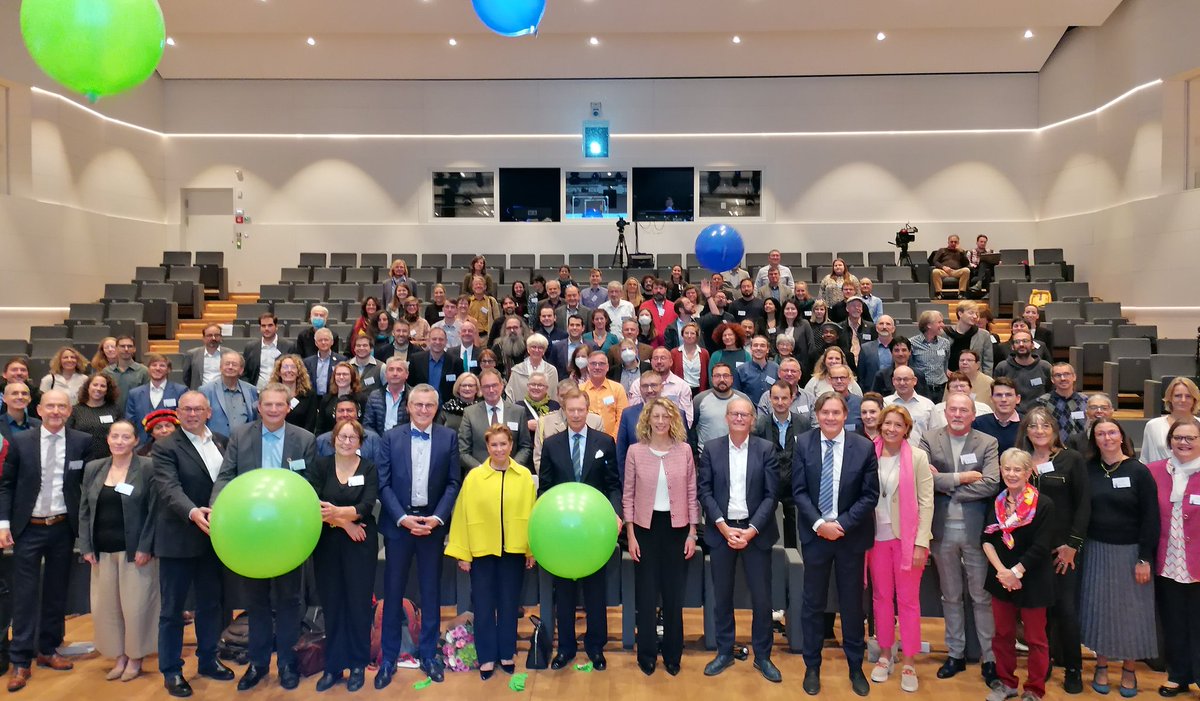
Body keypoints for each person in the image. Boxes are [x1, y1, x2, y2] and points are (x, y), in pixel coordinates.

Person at [211, 384, 317, 691]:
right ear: (259, 407)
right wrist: (217, 508)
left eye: (279, 405)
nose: (273, 409)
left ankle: (286, 662)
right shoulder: (241, 436)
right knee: (255, 603)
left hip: (288, 536)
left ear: (288, 407)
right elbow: (226, 476)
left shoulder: (304, 439)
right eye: (268, 404)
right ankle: (257, 664)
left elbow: (310, 483)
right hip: (250, 535)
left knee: (289, 602)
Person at [0, 390, 93, 693]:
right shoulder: (20, 441)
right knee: (25, 595)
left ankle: (48, 649)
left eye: (61, 406)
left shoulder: (81, 441)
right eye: (50, 406)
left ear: (70, 411)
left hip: (62, 528)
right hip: (29, 527)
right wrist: (3, 523)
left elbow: (84, 486)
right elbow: (6, 485)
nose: (55, 411)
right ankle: (20, 659)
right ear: (39, 409)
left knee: (56, 591)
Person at [792, 391, 879, 697]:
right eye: (824, 412)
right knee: (812, 604)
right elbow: (798, 490)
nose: (830, 417)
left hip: (850, 536)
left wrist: (840, 525)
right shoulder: (803, 443)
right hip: (816, 536)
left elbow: (870, 495)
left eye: (836, 412)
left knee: (852, 605)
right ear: (817, 416)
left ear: (846, 415)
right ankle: (812, 665)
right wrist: (820, 524)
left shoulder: (864, 447)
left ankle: (855, 666)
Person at [150, 391, 236, 698]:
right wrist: (192, 511)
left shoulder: (223, 442)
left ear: (209, 412)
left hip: (215, 539)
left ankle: (208, 659)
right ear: (178, 413)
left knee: (211, 605)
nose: (192, 413)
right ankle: (171, 670)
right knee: (172, 610)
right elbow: (168, 488)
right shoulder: (164, 446)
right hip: (179, 538)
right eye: (186, 409)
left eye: (198, 408)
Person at [374, 385, 459, 688]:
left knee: (431, 591)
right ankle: (388, 657)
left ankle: (429, 655)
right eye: (418, 405)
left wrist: (437, 518)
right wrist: (403, 518)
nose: (423, 410)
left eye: (429, 406)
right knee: (393, 592)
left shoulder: (449, 437)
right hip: (399, 526)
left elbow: (452, 482)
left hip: (432, 526)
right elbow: (382, 484)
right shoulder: (390, 437)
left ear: (437, 409)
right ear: (408, 407)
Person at [919, 392, 1001, 686]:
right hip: (941, 531)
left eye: (962, 410)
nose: (956, 414)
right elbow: (924, 480)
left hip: (977, 533)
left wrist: (946, 483)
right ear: (945, 412)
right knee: (950, 596)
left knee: (981, 597)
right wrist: (964, 478)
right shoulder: (929, 439)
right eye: (952, 409)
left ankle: (989, 657)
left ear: (972, 414)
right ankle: (955, 653)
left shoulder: (987, 442)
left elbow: (992, 483)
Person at [699, 398, 782, 683]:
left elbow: (772, 495)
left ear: (752, 420)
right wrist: (722, 526)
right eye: (734, 413)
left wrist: (752, 529)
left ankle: (763, 655)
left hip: (755, 534)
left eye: (744, 414)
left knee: (762, 599)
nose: (738, 418)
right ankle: (724, 651)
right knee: (722, 596)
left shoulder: (766, 449)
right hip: (721, 532)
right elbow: (705, 491)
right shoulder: (711, 449)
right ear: (726, 417)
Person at [445, 424, 536, 681]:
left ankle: (506, 653)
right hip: (482, 551)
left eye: (503, 444)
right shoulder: (474, 477)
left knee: (509, 604)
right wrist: (464, 552)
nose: (499, 449)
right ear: (487, 448)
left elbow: (531, 514)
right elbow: (461, 515)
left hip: (513, 551)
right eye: (494, 445)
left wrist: (530, 550)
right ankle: (486, 657)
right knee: (483, 605)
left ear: (511, 446)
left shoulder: (524, 477)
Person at [539, 389, 620, 671]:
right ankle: (566, 648)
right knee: (564, 593)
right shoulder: (551, 444)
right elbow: (545, 488)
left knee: (596, 592)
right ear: (564, 411)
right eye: (570, 410)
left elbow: (613, 485)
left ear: (588, 411)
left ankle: (596, 647)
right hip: (561, 533)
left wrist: (615, 514)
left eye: (580, 410)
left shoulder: (605, 442)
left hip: (593, 533)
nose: (575, 415)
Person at [1080, 418, 1159, 697]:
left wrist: (1144, 558)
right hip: (1096, 551)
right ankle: (1100, 666)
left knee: (1130, 615)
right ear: (1095, 439)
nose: (1107, 438)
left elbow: (1151, 518)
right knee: (1100, 610)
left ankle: (1129, 669)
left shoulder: (1139, 472)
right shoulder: (1088, 470)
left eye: (1112, 432)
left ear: (1122, 436)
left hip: (1130, 554)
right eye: (1100, 433)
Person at [78, 420, 159, 682]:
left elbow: (154, 511)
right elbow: (84, 510)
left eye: (126, 437)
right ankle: (119, 656)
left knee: (136, 608)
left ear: (136, 441)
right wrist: (86, 546)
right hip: (101, 551)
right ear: (108, 439)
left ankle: (135, 657)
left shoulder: (147, 467)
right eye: (115, 436)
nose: (120, 441)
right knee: (107, 609)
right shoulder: (94, 468)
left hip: (135, 552)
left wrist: (146, 546)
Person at [1016, 407, 1089, 694]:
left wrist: (1073, 545)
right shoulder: (1020, 462)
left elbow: (1083, 505)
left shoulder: (1071, 459)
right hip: (1032, 552)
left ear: (1055, 430)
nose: (1039, 431)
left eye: (1045, 426)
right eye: (1033, 426)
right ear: (1027, 431)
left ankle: (1073, 667)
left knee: (1066, 610)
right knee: (1037, 612)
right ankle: (1042, 664)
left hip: (1063, 550)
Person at [623, 398, 698, 676]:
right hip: (645, 529)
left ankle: (672, 654)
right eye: (655, 416)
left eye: (666, 416)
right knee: (646, 594)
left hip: (677, 530)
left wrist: (692, 532)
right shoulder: (635, 452)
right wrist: (630, 534)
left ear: (673, 420)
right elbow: (628, 495)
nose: (660, 421)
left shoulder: (685, 451)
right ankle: (647, 653)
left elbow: (692, 494)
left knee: (672, 596)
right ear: (647, 419)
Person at [307, 418, 377, 693]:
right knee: (333, 605)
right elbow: (314, 505)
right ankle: (333, 666)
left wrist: (339, 514)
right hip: (329, 545)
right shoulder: (320, 466)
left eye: (352, 438)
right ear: (333, 438)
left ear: (360, 442)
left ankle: (358, 664)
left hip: (360, 545)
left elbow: (366, 506)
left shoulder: (368, 468)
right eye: (342, 436)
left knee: (359, 605)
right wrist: (345, 522)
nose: (346, 442)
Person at [868, 405, 934, 693]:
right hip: (875, 538)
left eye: (898, 425)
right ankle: (885, 654)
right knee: (881, 598)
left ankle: (908, 660)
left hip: (907, 540)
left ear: (906, 429)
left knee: (908, 601)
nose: (891, 429)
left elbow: (926, 502)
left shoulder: (918, 457)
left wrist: (921, 541)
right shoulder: (868, 453)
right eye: (887, 424)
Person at [981, 448, 1057, 701]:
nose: (1011, 474)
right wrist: (1002, 572)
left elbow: (1041, 546)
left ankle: (1034, 689)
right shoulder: (997, 501)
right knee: (1003, 635)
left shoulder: (1043, 504)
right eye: (1007, 469)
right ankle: (1006, 683)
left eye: (1017, 469)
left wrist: (1016, 572)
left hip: (1033, 579)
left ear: (1028, 473)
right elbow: (987, 539)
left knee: (1036, 639)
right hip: (1001, 579)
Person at [1146, 417, 1200, 697]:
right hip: (1168, 562)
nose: (1184, 443)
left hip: (1198, 563)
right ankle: (1178, 675)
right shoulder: (1154, 472)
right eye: (1178, 438)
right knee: (1173, 622)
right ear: (1169, 442)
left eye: (1190, 438)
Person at [753, 381, 804, 547]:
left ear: (792, 398)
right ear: (770, 399)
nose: (780, 402)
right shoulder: (760, 425)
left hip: (795, 490)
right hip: (768, 489)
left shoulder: (803, 424)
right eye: (776, 398)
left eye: (784, 398)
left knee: (794, 537)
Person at [458, 369, 533, 470]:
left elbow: (525, 446)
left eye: (494, 385)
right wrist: (482, 469)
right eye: (486, 386)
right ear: (480, 389)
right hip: (481, 477)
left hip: (511, 475)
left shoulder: (518, 412)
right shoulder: (470, 413)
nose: (491, 390)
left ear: (502, 385)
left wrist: (513, 467)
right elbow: (463, 451)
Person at [125, 353, 187, 446]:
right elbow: (130, 421)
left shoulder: (181, 391)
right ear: (148, 369)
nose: (157, 368)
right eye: (154, 365)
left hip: (172, 445)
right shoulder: (135, 394)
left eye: (162, 365)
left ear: (169, 370)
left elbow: (184, 419)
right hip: (142, 446)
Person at [690, 363, 751, 450]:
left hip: (738, 453)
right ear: (712, 379)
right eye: (717, 376)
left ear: (732, 379)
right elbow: (691, 427)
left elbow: (752, 425)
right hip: (706, 455)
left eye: (726, 376)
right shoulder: (699, 399)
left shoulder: (743, 399)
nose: (722, 379)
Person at [199, 351, 258, 437]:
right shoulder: (206, 391)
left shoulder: (251, 390)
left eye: (234, 364)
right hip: (215, 443)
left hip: (244, 442)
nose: (230, 367)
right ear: (220, 368)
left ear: (241, 370)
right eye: (227, 364)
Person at [992, 330, 1053, 414]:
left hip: (1039, 416)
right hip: (1011, 416)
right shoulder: (1002, 367)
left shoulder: (1045, 367)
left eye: (1025, 341)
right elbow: (997, 393)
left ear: (1032, 345)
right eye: (1017, 342)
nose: (1021, 345)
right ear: (1012, 346)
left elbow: (1051, 393)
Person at [1142, 378, 1200, 464]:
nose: (1183, 400)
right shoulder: (1153, 426)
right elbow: (1145, 459)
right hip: (1159, 476)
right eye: (1178, 396)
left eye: (1188, 396)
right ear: (1170, 398)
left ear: (1194, 399)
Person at [630, 346, 694, 424]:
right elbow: (633, 415)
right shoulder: (638, 384)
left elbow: (687, 418)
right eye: (655, 358)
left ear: (671, 362)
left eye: (663, 358)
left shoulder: (682, 386)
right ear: (651, 362)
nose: (659, 362)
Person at [68, 373, 124, 459]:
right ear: (88, 387)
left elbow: (121, 435)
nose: (98, 388)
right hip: (81, 457)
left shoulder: (115, 409)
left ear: (107, 390)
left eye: (103, 386)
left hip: (108, 459)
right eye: (95, 385)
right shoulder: (75, 410)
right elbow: (69, 435)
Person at [314, 397, 383, 466]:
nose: (345, 414)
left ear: (358, 414)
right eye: (341, 411)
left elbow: (379, 468)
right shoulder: (322, 441)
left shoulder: (373, 439)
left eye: (349, 410)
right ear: (334, 415)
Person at [1036, 363, 1089, 444]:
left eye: (1066, 374)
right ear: (1052, 379)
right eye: (1058, 375)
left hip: (1080, 449)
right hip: (1053, 448)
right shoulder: (1043, 402)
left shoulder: (1085, 400)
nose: (1063, 378)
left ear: (1074, 377)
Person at [884, 366, 935, 447]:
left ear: (914, 381)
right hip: (892, 454)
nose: (902, 383)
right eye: (898, 379)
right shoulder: (885, 404)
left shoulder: (928, 405)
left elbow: (935, 434)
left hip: (921, 455)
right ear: (893, 381)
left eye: (906, 379)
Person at [580, 351, 628, 437]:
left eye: (601, 364)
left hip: (613, 440)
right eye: (593, 363)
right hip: (587, 440)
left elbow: (622, 417)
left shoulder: (618, 388)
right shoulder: (580, 390)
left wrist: (613, 440)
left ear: (607, 367)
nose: (597, 367)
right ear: (588, 367)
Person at [242, 313, 295, 391]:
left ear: (276, 327)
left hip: (281, 391)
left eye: (270, 325)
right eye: (263, 326)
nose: (266, 328)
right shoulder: (250, 347)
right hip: (256, 392)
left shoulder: (288, 346)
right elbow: (244, 373)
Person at [928, 371, 993, 433]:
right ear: (948, 390)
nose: (959, 389)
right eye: (955, 386)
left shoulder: (985, 410)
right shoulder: (936, 409)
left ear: (970, 388)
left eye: (962, 386)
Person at [363, 357, 412, 436]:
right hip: (379, 442)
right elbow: (368, 424)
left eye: (399, 370)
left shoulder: (413, 396)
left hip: (404, 442)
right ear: (385, 374)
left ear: (407, 374)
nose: (395, 373)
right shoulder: (374, 396)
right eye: (391, 369)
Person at [269, 353, 318, 432]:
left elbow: (310, 424)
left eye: (293, 367)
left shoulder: (309, 395)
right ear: (279, 372)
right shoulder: (271, 393)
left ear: (298, 372)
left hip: (301, 439)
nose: (289, 370)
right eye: (285, 367)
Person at [909, 311, 952, 401]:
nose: (943, 325)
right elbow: (910, 366)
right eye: (939, 322)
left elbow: (945, 363)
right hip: (922, 389)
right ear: (929, 325)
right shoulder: (912, 343)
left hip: (941, 389)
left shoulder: (945, 343)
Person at [315, 362, 366, 436]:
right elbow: (320, 427)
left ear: (352, 377)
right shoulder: (326, 399)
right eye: (338, 374)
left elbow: (365, 425)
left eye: (345, 374)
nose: (341, 377)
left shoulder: (361, 399)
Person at [506, 333, 559, 403]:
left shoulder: (551, 371)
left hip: (546, 412)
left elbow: (554, 396)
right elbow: (510, 396)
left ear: (544, 351)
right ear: (528, 349)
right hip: (522, 411)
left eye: (540, 347)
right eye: (533, 347)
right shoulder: (517, 370)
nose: (537, 350)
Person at [974, 377, 1023, 453]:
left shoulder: (1027, 424)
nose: (1004, 399)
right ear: (991, 399)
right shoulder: (978, 424)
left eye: (1008, 395)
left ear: (1018, 399)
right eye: (998, 395)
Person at [945, 300, 994, 375]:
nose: (975, 316)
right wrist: (945, 371)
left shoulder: (984, 335)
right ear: (960, 314)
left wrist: (986, 381)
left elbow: (988, 363)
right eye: (971, 313)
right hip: (950, 379)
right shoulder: (945, 333)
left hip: (975, 379)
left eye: (976, 314)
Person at [103, 336, 150, 408]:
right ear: (116, 349)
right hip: (112, 414)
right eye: (122, 346)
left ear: (134, 349)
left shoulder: (143, 371)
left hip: (135, 415)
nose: (126, 349)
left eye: (130, 346)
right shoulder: (107, 372)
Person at [182, 325, 232, 390]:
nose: (213, 338)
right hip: (200, 394)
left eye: (216, 335)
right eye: (209, 335)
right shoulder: (192, 354)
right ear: (203, 338)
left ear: (220, 337)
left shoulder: (230, 354)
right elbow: (186, 377)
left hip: (223, 392)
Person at [671, 322, 709, 394]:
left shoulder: (704, 353)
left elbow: (706, 375)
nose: (689, 336)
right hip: (680, 391)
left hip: (699, 391)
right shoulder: (674, 353)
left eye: (692, 333)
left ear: (697, 336)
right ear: (682, 335)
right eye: (686, 333)